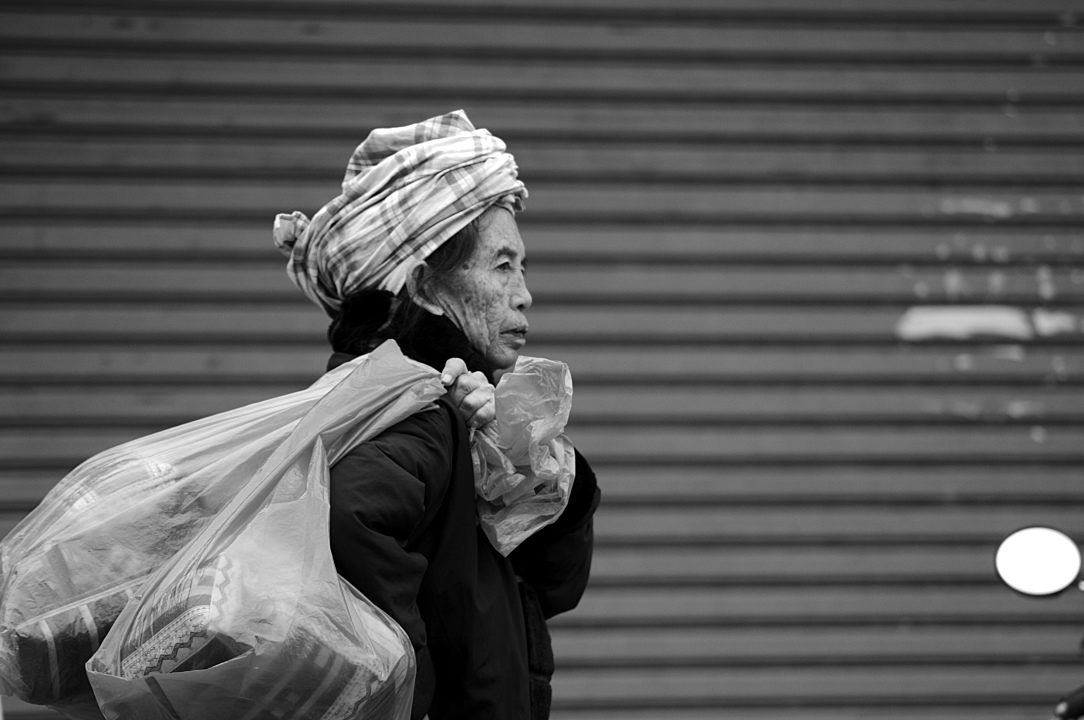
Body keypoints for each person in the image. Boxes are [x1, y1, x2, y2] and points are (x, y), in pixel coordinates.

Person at [273, 110, 600, 720]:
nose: (524, 294)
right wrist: (409, 695)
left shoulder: (463, 412)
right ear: (425, 288)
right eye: (502, 266)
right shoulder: (416, 410)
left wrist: (542, 468)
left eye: (523, 267)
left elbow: (547, 591)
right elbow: (348, 521)